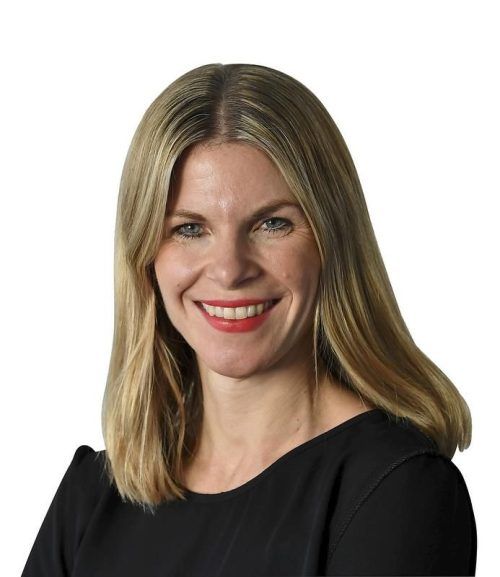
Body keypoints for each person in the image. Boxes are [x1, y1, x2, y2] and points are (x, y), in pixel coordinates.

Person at [21, 63, 477, 576]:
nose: (230, 269)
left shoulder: (398, 490)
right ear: (146, 256)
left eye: (272, 223)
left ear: (332, 240)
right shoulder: (93, 496)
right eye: (190, 229)